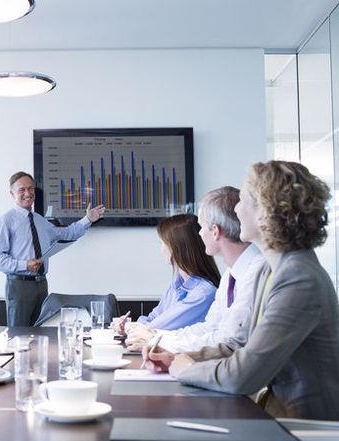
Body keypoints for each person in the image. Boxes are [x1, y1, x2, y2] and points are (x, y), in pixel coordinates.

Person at [144, 161, 339, 420]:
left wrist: (185, 369)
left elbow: (242, 375)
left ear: (267, 211)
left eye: (243, 200)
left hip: (305, 429)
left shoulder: (298, 278)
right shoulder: (270, 271)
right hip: (277, 416)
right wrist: (177, 358)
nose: (236, 209)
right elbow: (239, 345)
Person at [123, 187, 264, 352]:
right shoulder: (231, 274)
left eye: (202, 227)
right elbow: (210, 327)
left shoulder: (257, 273)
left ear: (215, 231)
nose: (200, 234)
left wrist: (155, 339)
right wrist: (155, 336)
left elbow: (230, 340)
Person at [0, 171, 105, 327]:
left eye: (31, 189)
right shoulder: (5, 221)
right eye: (22, 190)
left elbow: (66, 233)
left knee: (40, 333)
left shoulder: (40, 220)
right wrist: (25, 265)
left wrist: (88, 219)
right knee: (19, 335)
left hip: (41, 284)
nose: (28, 193)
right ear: (12, 193)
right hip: (19, 286)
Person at [115, 213, 220, 332]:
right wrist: (132, 326)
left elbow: (155, 328)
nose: (161, 249)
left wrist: (129, 327)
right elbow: (153, 318)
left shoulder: (203, 293)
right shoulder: (177, 284)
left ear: (176, 247)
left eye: (162, 243)